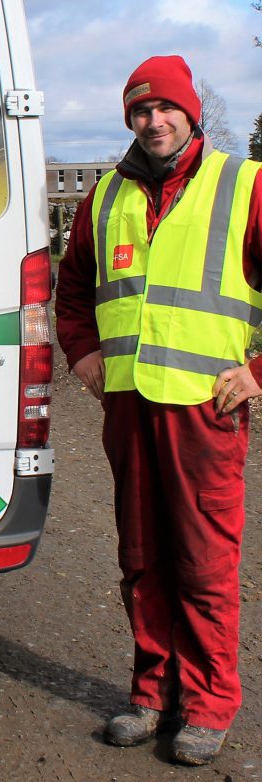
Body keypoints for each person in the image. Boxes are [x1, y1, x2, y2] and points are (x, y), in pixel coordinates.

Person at [56, 55, 262, 767]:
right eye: (141, 111)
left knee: (203, 561)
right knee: (142, 559)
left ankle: (207, 705)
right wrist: (82, 353)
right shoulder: (105, 197)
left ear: (190, 112)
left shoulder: (243, 185)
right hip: (129, 408)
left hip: (205, 412)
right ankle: (154, 693)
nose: (154, 121)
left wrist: (257, 372)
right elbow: (73, 289)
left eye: (165, 107)